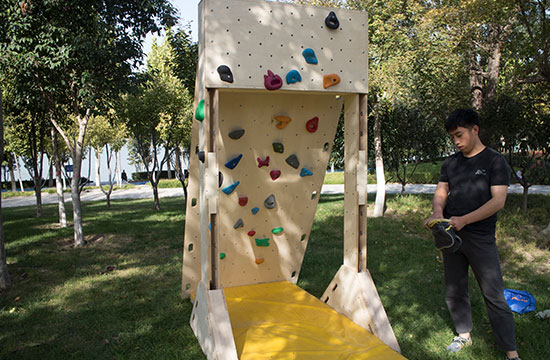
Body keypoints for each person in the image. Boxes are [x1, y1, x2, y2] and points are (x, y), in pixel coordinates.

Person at [424, 109, 520, 360]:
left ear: (475, 129)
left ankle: (511, 352)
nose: (456, 141)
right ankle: (463, 334)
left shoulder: (494, 161)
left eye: (459, 135)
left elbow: (498, 201)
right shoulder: (450, 163)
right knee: (454, 288)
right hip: (451, 235)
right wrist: (437, 212)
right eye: (452, 137)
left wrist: (464, 220)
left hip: (480, 237)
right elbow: (441, 192)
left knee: (494, 294)